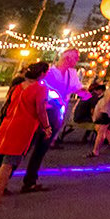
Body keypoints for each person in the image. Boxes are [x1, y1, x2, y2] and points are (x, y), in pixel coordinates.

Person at [0, 62, 51, 211]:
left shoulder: (16, 87)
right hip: (20, 129)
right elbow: (41, 110)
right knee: (7, 165)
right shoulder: (40, 89)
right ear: (41, 74)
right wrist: (46, 127)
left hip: (5, 127)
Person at [23, 47, 87, 193]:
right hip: (41, 114)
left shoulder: (72, 74)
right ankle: (4, 177)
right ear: (67, 58)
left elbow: (77, 88)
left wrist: (86, 93)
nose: (77, 60)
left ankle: (30, 181)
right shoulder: (49, 72)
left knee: (42, 149)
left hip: (57, 115)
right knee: (25, 147)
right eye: (75, 58)